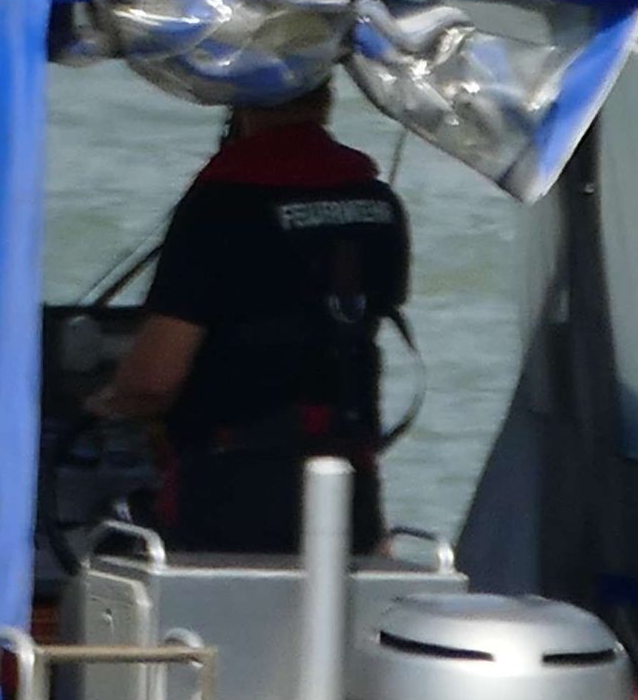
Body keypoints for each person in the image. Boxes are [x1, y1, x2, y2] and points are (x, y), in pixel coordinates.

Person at [85, 79, 407, 556]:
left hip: (232, 493)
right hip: (347, 485)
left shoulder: (221, 205)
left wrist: (104, 403)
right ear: (326, 97)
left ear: (239, 102)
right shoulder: (380, 204)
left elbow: (154, 382)